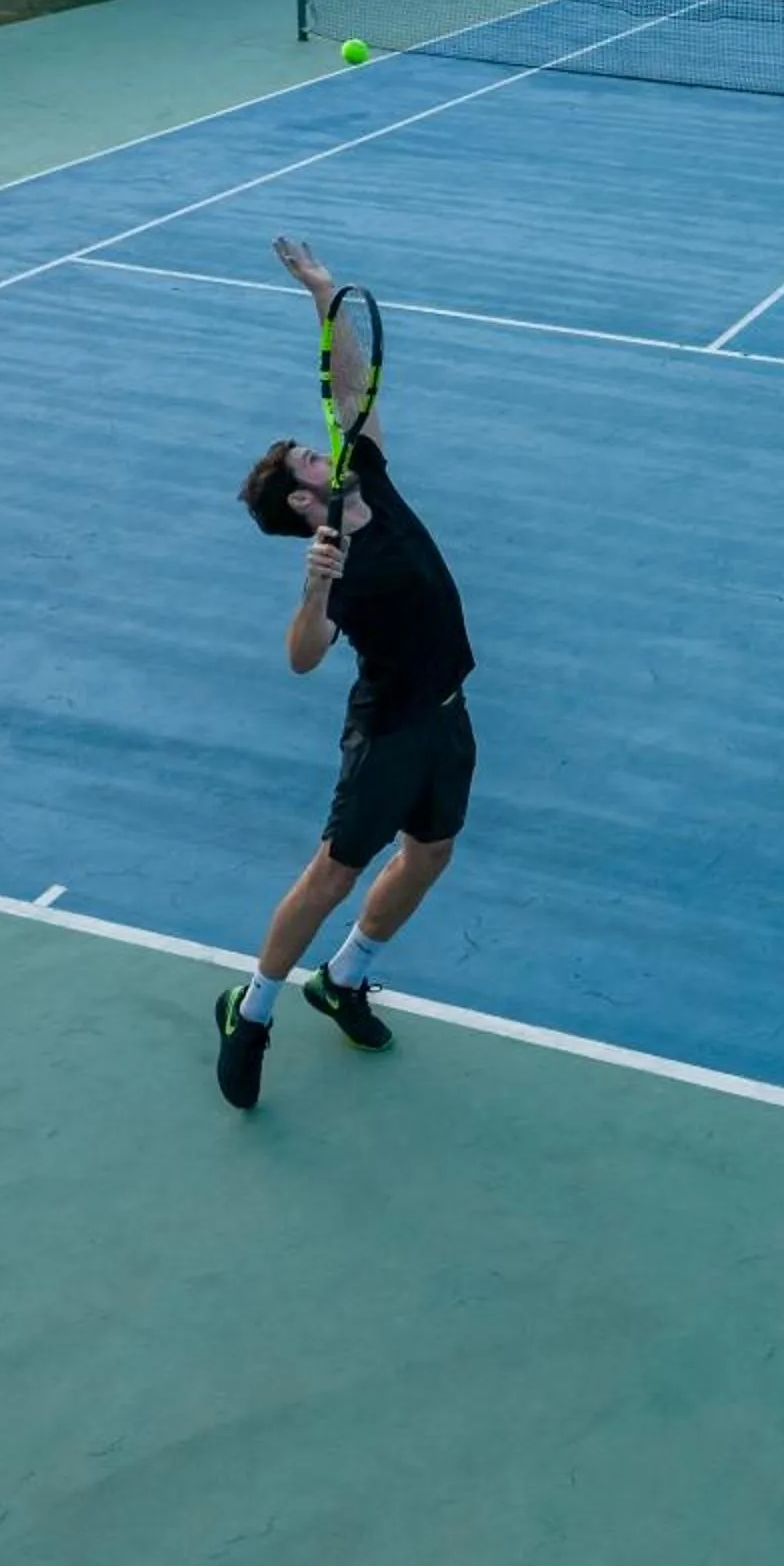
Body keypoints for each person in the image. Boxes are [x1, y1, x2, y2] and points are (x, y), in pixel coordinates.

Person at [215, 234, 477, 1111]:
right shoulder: (331, 558)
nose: (325, 454)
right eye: (307, 461)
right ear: (299, 500)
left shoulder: (368, 471)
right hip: (390, 730)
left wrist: (323, 296)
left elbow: (350, 386)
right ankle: (250, 1012)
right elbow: (302, 661)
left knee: (430, 854)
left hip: (448, 713)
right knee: (333, 872)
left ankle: (346, 976)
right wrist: (311, 593)